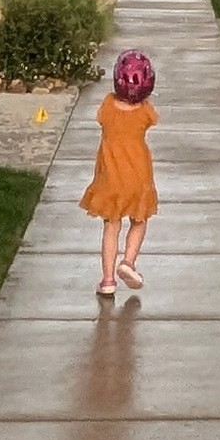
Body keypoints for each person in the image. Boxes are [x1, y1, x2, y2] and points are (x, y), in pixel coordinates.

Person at [83, 47, 158, 296]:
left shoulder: (107, 105)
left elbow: (102, 118)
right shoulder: (145, 111)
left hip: (110, 178)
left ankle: (107, 280)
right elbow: (152, 118)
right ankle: (128, 262)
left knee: (111, 226)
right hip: (137, 177)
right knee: (139, 221)